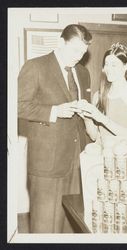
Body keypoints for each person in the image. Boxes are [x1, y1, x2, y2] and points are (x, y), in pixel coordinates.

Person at [18, 24, 92, 233]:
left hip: (77, 162)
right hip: (46, 165)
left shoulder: (84, 73)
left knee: (74, 227)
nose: (79, 56)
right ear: (60, 43)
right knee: (45, 228)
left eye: (83, 52)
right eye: (75, 50)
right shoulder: (35, 67)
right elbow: (16, 105)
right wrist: (54, 111)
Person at [76, 42, 127, 142]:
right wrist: (86, 118)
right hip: (103, 152)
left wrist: (102, 118)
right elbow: (94, 136)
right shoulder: (98, 95)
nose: (108, 69)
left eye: (114, 65)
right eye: (106, 64)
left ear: (126, 66)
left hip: (125, 153)